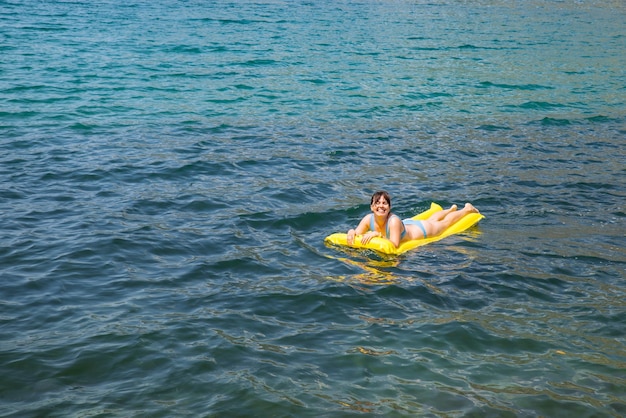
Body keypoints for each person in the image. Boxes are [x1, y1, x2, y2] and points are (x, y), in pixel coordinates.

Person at [346, 190, 479, 249]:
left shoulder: (393, 221)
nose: (381, 206)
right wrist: (352, 231)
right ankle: (450, 210)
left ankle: (466, 209)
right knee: (432, 219)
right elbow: (357, 233)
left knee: (443, 223)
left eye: (385, 203)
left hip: (421, 231)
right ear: (371, 207)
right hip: (408, 224)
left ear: (390, 207)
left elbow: (394, 244)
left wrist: (377, 235)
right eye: (377, 203)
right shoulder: (368, 218)